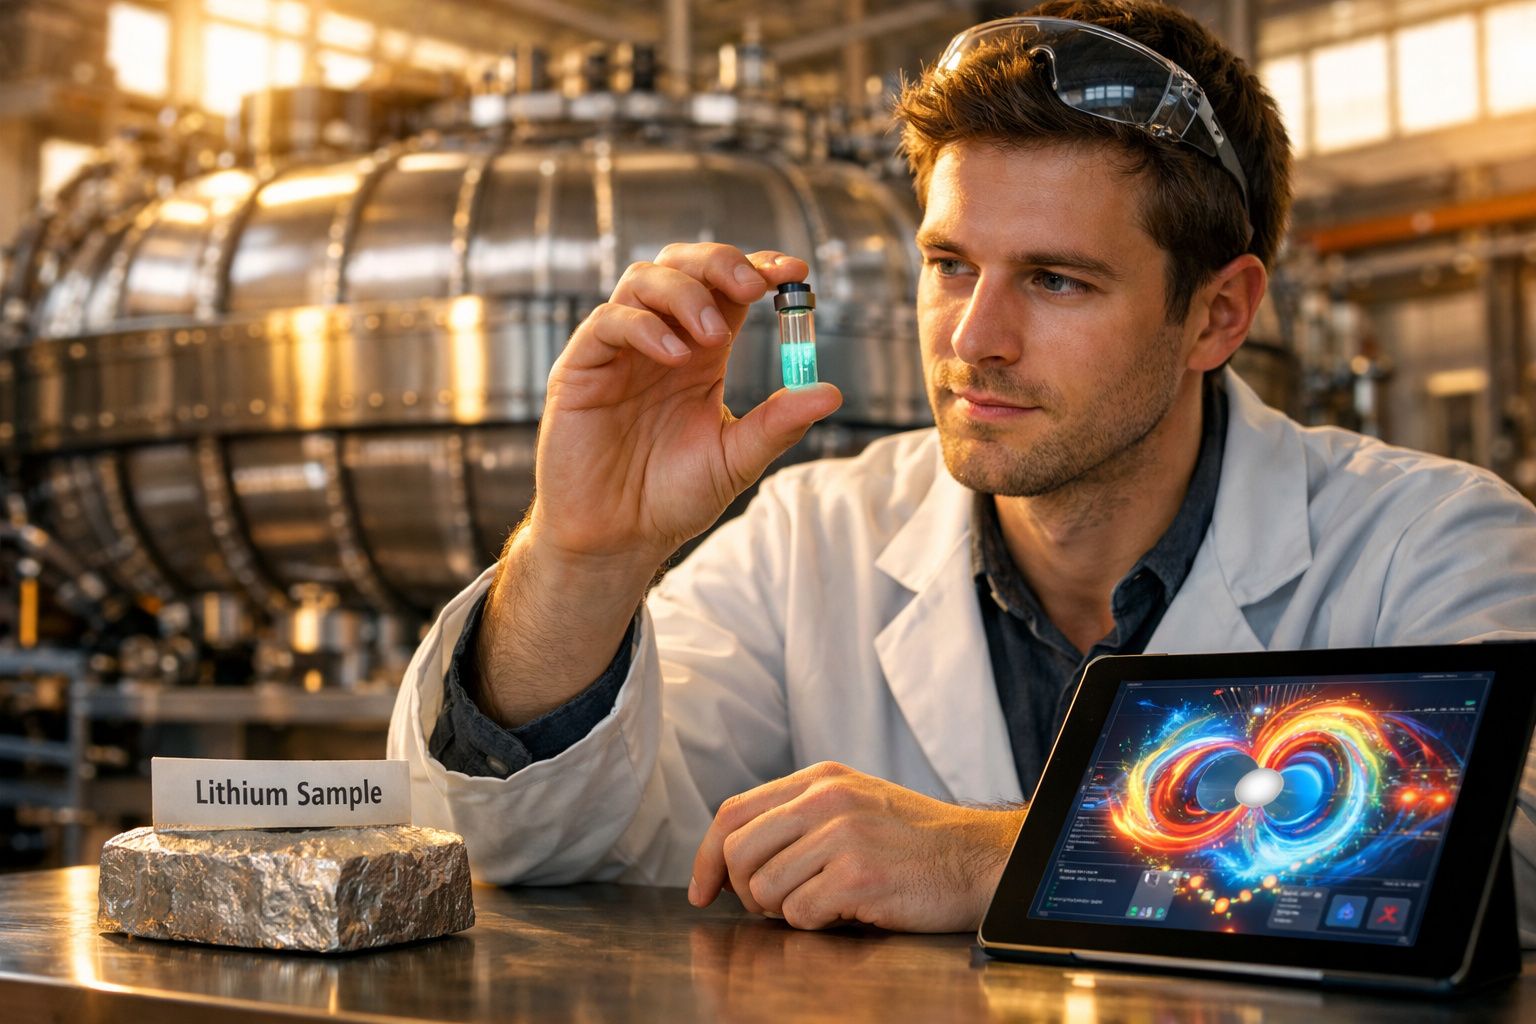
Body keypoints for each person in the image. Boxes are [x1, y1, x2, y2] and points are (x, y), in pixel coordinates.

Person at [389, 0, 1536, 938]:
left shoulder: (1424, 544)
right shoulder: (810, 540)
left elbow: (1510, 858)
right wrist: (584, 550)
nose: (974, 338)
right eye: (949, 264)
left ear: (1217, 314)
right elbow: (522, 845)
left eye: (1056, 280)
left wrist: (999, 854)